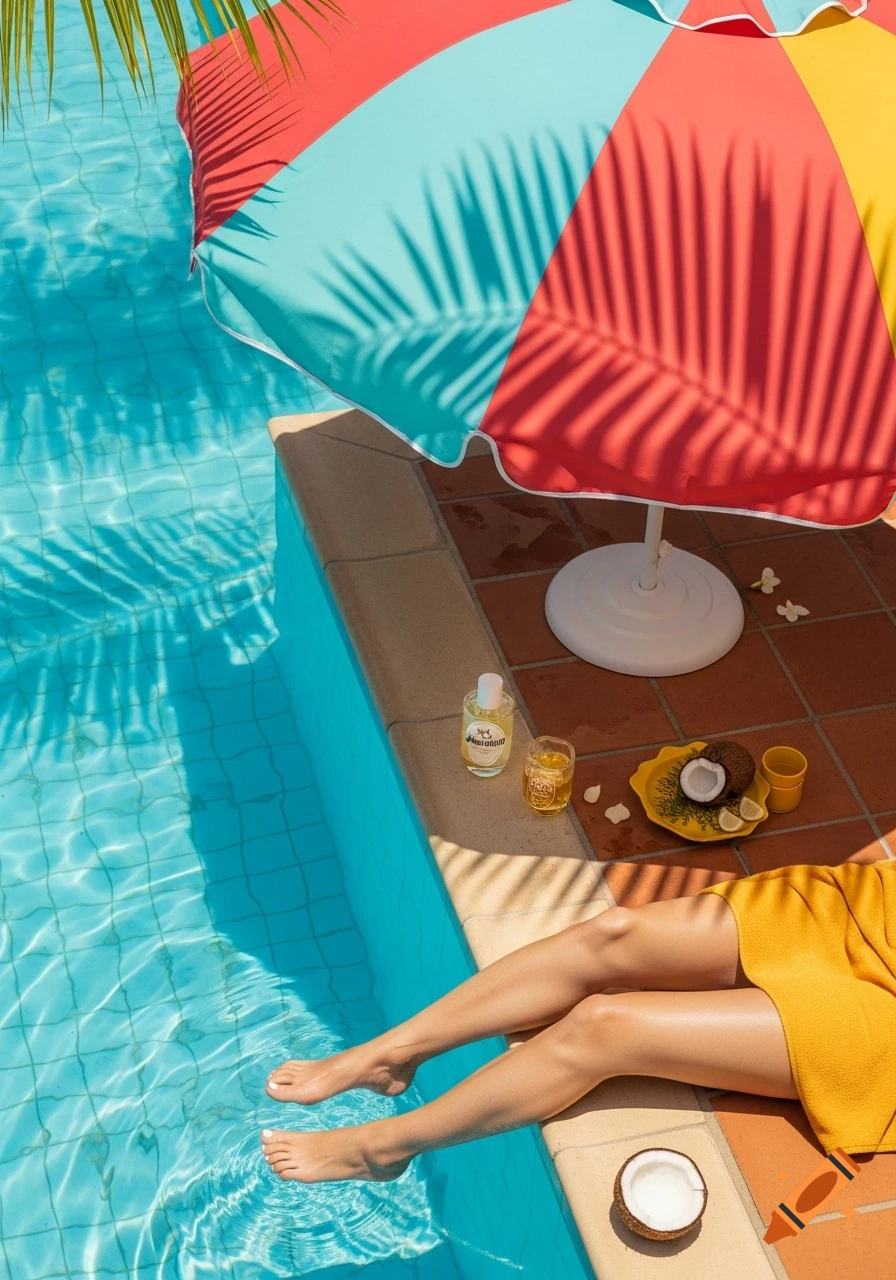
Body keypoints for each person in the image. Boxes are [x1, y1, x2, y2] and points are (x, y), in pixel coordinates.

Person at [260, 850, 896, 1182]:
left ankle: (383, 1148)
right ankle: (390, 1056)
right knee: (612, 934)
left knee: (606, 1026)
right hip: (874, 914)